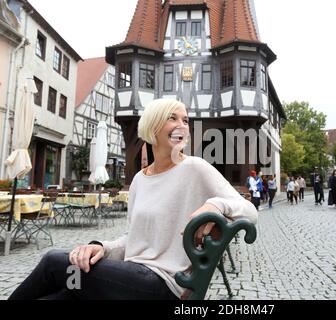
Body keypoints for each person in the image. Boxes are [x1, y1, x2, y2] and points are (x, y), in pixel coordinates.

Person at [8, 99, 257, 300]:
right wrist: (102, 248)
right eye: (173, 118)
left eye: (186, 120)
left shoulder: (195, 168)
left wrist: (217, 204)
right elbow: (132, 238)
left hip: (162, 285)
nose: (182, 125)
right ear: (152, 128)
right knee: (64, 293)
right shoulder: (140, 179)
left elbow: (249, 211)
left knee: (54, 262)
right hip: (128, 279)